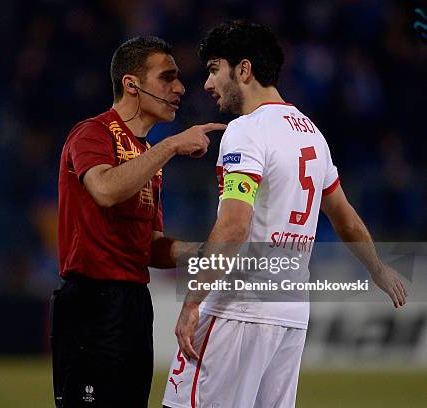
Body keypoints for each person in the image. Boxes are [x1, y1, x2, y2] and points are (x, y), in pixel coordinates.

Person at [163, 21, 408, 408]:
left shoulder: (245, 130)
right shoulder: (311, 133)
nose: (207, 85)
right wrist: (377, 267)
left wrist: (194, 300)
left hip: (238, 308)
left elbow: (233, 224)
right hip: (290, 314)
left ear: (243, 70)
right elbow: (344, 217)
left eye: (213, 69)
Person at [52, 36, 226, 408]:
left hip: (132, 303)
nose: (179, 88)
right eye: (167, 77)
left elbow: (148, 245)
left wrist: (207, 252)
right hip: (92, 303)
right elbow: (103, 189)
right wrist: (173, 145)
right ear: (131, 84)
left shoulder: (146, 154)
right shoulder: (92, 132)